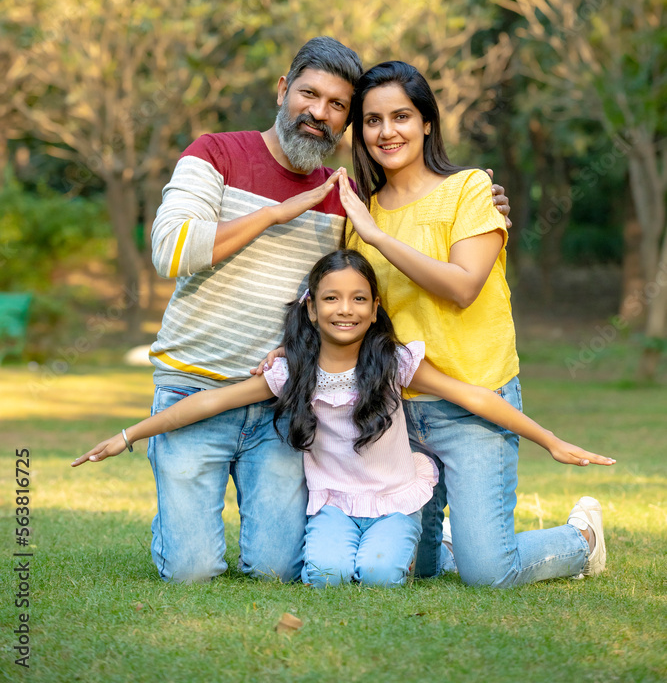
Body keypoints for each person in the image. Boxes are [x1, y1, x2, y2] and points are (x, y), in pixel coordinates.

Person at [145, 37, 511, 584]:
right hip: (194, 386)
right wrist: (275, 214)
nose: (319, 113)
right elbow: (170, 251)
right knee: (191, 571)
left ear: (346, 122)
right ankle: (177, 532)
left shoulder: (346, 199)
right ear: (282, 90)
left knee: (276, 570)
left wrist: (485, 206)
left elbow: (351, 290)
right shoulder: (215, 153)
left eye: (338, 105)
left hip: (282, 404)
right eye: (309, 94)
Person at [72, 250, 615, 589]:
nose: (345, 309)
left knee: (380, 576)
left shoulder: (394, 363)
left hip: (394, 498)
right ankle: (441, 547)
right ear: (310, 308)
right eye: (331, 298)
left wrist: (549, 440)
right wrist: (128, 434)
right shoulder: (292, 372)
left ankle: (576, 539)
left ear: (375, 309)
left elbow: (475, 398)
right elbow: (210, 402)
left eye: (359, 299)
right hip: (331, 503)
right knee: (325, 576)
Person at [339, 60, 611, 586]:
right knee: (414, 571)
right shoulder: (362, 213)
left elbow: (463, 286)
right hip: (398, 415)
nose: (386, 131)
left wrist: (377, 237)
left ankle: (581, 538)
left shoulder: (468, 190)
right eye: (372, 120)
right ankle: (451, 539)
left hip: (475, 404)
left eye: (401, 116)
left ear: (427, 123)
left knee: (489, 572)